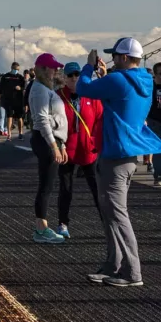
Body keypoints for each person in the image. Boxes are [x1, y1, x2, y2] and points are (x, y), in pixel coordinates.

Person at [76, 37, 161, 288]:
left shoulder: (116, 80)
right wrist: (106, 75)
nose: (113, 59)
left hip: (114, 155)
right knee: (111, 213)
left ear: (124, 58)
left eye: (115, 56)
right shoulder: (144, 81)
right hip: (125, 155)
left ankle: (132, 272)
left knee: (116, 213)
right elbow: (119, 98)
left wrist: (88, 67)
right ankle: (113, 265)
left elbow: (83, 89)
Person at [56, 62, 103, 239]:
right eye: (70, 75)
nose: (74, 78)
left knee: (97, 189)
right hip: (67, 150)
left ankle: (106, 222)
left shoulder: (92, 96)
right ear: (65, 78)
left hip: (88, 149)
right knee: (66, 188)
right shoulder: (58, 97)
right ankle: (63, 223)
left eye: (77, 74)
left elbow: (99, 120)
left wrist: (95, 141)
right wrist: (58, 145)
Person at [29, 54, 68, 244]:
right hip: (46, 140)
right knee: (46, 185)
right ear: (43, 69)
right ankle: (41, 229)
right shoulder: (39, 90)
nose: (55, 71)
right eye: (52, 68)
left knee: (48, 184)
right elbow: (42, 120)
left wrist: (63, 144)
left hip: (53, 140)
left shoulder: (45, 88)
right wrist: (54, 146)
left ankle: (42, 227)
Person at [0, 62, 27, 141]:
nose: (16, 71)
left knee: (19, 117)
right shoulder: (5, 77)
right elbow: (1, 88)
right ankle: (9, 134)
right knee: (9, 117)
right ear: (11, 68)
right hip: (8, 100)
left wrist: (20, 88)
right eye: (15, 69)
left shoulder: (20, 77)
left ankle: (20, 133)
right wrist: (0, 98)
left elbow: (24, 88)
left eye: (18, 69)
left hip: (18, 100)